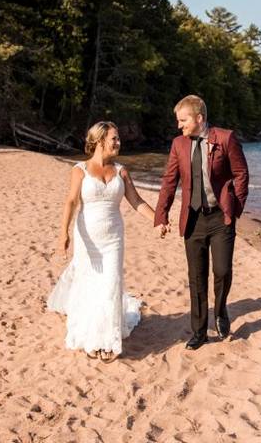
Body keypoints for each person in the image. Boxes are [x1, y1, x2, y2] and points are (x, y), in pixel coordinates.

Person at [48, 121, 164, 362]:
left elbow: (137, 201)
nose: (118, 143)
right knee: (90, 284)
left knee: (110, 284)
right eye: (114, 138)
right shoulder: (79, 170)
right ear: (100, 141)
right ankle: (91, 337)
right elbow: (70, 201)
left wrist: (158, 220)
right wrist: (64, 234)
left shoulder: (122, 171)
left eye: (118, 138)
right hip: (87, 238)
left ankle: (108, 340)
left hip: (113, 239)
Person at [155, 95, 249, 350]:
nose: (179, 125)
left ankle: (220, 310)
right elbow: (169, 181)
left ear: (199, 118)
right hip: (193, 219)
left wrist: (236, 207)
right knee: (196, 277)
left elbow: (241, 174)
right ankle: (199, 332)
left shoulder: (225, 138)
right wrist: (161, 215)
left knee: (222, 271)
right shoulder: (178, 144)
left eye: (183, 120)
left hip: (221, 217)